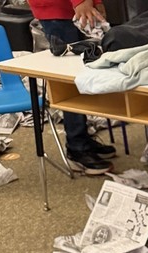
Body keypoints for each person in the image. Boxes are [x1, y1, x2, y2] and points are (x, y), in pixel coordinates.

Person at [30, 0, 115, 174]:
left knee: (81, 75)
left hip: (71, 8)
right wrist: (81, 2)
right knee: (70, 82)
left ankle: (82, 138)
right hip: (57, 10)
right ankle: (77, 147)